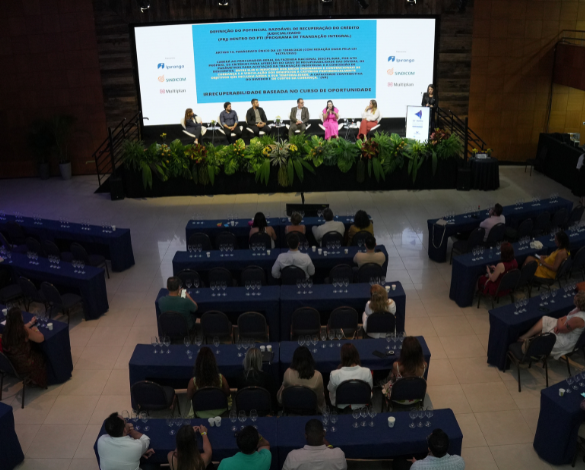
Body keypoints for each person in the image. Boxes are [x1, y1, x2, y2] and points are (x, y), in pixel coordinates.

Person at [518, 291, 585, 360]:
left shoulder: (579, 319)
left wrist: (560, 321)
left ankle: (534, 350)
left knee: (546, 335)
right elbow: (566, 317)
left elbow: (562, 329)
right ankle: (525, 338)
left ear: (580, 303)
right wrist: (560, 324)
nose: (574, 298)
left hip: (565, 338)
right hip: (564, 327)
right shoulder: (579, 308)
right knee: (545, 319)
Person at [2, 307, 47, 388]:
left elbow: (21, 327)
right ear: (19, 318)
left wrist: (30, 322)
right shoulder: (22, 331)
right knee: (41, 353)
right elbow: (41, 339)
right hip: (26, 365)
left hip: (13, 364)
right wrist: (36, 330)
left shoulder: (7, 329)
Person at [282, 419, 347, 470]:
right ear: (324, 433)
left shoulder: (292, 457)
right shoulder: (339, 455)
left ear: (306, 436)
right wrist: (329, 446)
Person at [187, 347, 232, 418]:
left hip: (200, 414)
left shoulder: (193, 382)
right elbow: (228, 393)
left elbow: (189, 397)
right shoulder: (221, 378)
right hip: (221, 412)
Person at [277, 346, 325, 412]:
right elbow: (320, 399)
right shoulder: (318, 376)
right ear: (310, 359)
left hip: (291, 408)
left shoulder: (288, 373)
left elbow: (283, 393)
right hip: (311, 410)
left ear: (294, 359)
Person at [383, 337, 427, 406]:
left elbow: (392, 376)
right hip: (416, 398)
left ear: (403, 352)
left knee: (388, 380)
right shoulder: (424, 365)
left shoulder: (396, 365)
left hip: (397, 398)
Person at [328, 343, 372, 410]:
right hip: (362, 404)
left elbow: (330, 389)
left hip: (340, 406)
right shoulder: (367, 372)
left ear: (342, 357)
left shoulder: (334, 374)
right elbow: (370, 388)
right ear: (356, 355)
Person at [395, 429, 465, 470]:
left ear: (429, 449)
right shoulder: (459, 461)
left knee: (398, 462)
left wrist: (416, 463)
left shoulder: (417, 467)